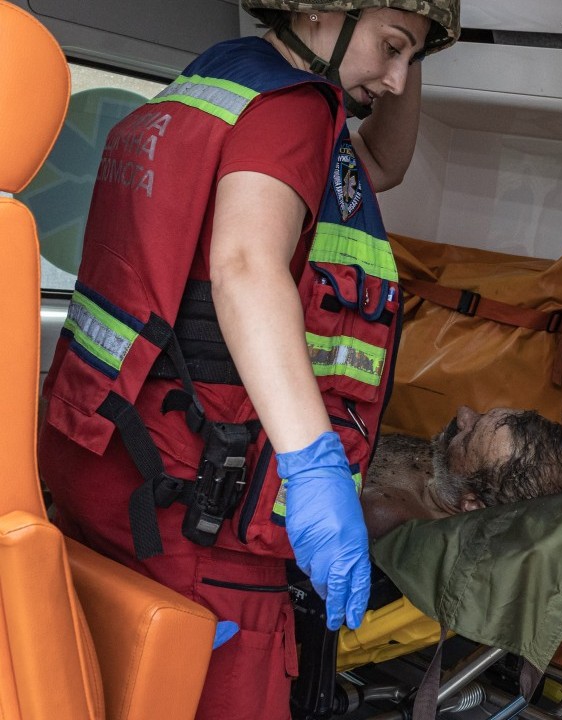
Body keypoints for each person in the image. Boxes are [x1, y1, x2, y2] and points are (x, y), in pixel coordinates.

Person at [37, 2, 458, 718]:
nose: (395, 79)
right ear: (322, 8)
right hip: (202, 505)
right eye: (389, 48)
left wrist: (416, 38)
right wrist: (313, 464)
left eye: (411, 60)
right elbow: (243, 264)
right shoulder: (293, 111)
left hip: (112, 461)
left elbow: (380, 163)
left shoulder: (213, 85)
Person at [361, 406, 562, 540]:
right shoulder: (448, 469)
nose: (464, 413)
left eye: (468, 438)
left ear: (472, 506)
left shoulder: (382, 514)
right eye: (482, 414)